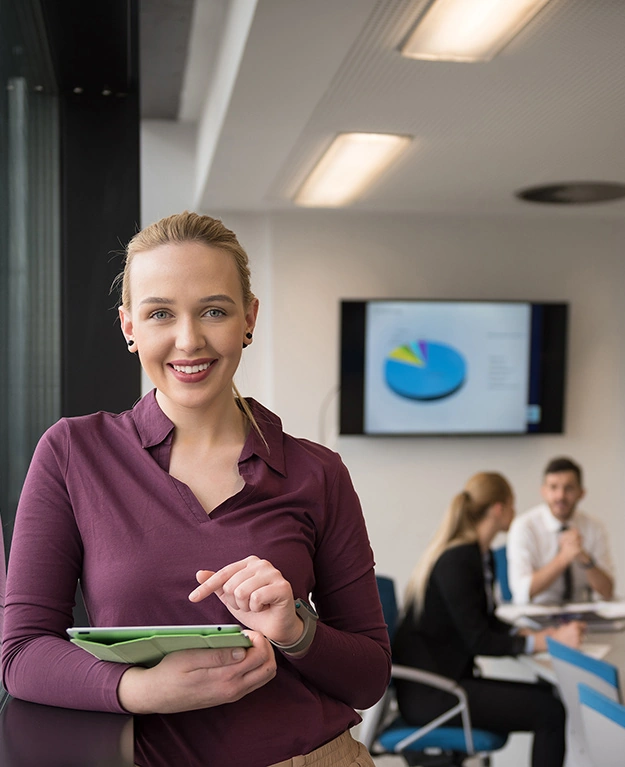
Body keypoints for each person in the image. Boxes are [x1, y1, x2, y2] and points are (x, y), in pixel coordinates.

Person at [1, 211, 391, 767]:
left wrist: (295, 629)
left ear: (248, 319)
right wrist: (142, 690)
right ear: (129, 326)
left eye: (214, 310)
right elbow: (21, 653)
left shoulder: (318, 471)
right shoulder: (72, 453)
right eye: (160, 313)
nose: (189, 341)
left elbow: (369, 678)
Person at [393, 472, 585, 767]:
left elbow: (483, 618)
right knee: (551, 711)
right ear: (499, 508)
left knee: (549, 697)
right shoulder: (459, 560)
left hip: (447, 682)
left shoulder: (478, 556)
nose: (514, 513)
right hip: (434, 694)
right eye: (512, 505)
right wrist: (547, 640)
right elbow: (478, 639)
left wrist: (525, 633)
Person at [507, 457, 614, 605]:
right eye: (553, 487)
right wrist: (564, 558)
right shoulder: (524, 526)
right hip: (538, 613)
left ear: (581, 493)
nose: (560, 496)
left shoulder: (594, 527)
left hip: (582, 613)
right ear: (543, 491)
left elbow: (608, 592)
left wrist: (585, 560)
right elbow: (522, 592)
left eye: (568, 488)